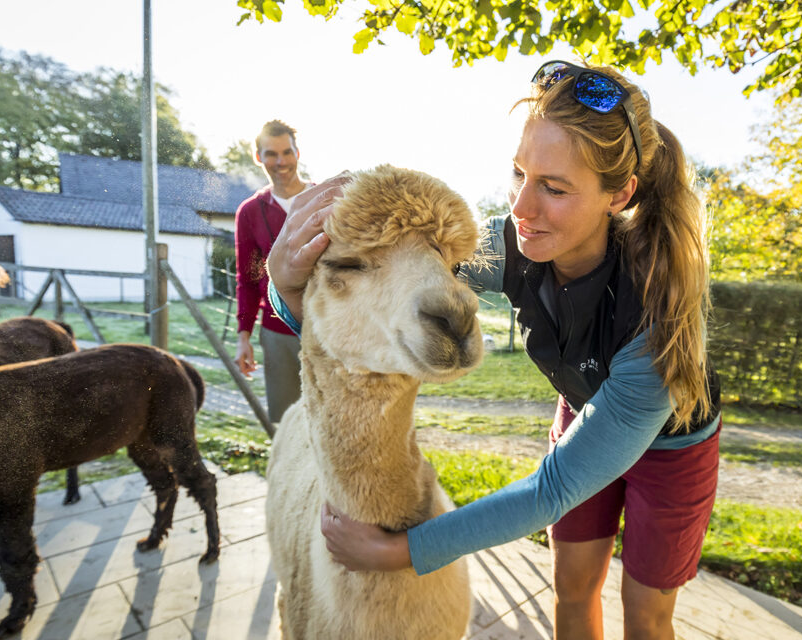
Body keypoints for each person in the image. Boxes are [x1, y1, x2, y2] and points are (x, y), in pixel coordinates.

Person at [267, 61, 720, 639]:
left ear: (620, 194)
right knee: (573, 589)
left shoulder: (653, 319)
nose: (523, 209)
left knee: (646, 611)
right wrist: (284, 285)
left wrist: (405, 551)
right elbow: (376, 289)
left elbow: (552, 490)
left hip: (672, 446)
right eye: (519, 174)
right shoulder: (512, 245)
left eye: (554, 188)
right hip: (584, 411)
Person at [233, 120, 309, 423]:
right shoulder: (250, 212)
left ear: (297, 153)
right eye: (271, 154)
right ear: (258, 157)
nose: (281, 162)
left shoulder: (324, 200)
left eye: (286, 152)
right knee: (286, 421)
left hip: (326, 326)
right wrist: (244, 337)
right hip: (277, 333)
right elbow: (248, 280)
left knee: (333, 418)